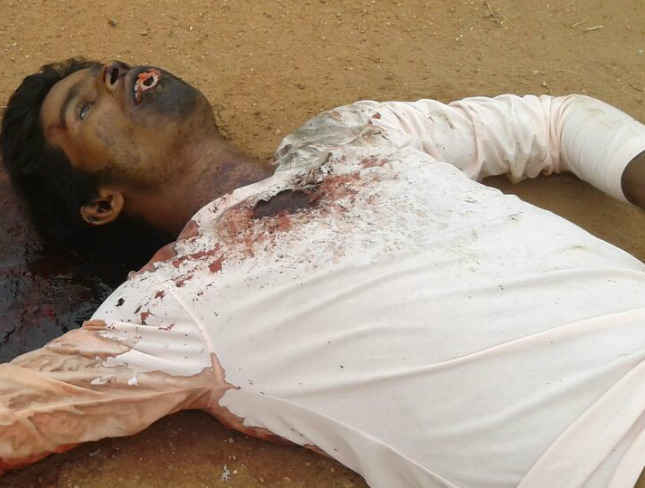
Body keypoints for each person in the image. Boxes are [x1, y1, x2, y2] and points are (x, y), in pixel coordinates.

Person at [1, 58, 645, 488]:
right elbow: (20, 409)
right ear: (101, 205)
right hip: (599, 459)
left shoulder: (351, 133)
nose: (112, 74)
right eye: (83, 108)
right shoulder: (171, 306)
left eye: (107, 69)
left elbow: (553, 120)